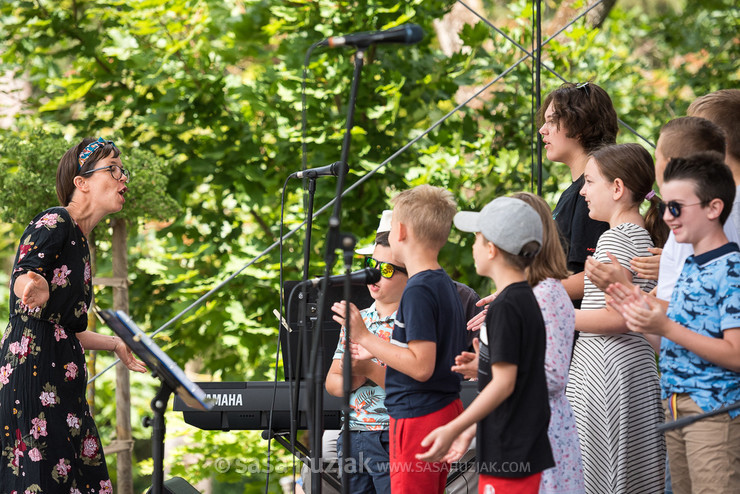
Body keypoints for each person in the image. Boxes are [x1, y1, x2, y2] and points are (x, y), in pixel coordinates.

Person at [0, 137, 146, 493]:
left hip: (64, 383)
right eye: (113, 169)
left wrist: (115, 345)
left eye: (122, 170)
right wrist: (33, 288)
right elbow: (25, 275)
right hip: (34, 379)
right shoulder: (55, 220)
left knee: (84, 479)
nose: (124, 178)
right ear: (81, 182)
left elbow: (67, 328)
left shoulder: (80, 242)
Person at [611, 152, 740, 494]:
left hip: (714, 411)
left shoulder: (731, 269)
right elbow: (673, 344)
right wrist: (639, 315)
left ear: (714, 209)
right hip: (676, 405)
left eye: (677, 207)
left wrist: (664, 326)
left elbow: (736, 354)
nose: (667, 216)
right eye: (667, 206)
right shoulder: (691, 267)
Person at [331, 185, 466, 494]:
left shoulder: (418, 290)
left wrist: (364, 335)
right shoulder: (442, 282)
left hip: (418, 415)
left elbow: (421, 367)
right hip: (440, 409)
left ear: (400, 231)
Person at [416, 196, 554, 493]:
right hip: (520, 447)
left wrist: (455, 427)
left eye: (476, 239)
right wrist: (484, 367)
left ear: (491, 249)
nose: (472, 247)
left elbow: (504, 385)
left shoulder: (505, 306)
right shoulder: (525, 298)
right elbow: (521, 377)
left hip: (509, 452)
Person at [567, 142, 667, 493]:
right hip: (626, 370)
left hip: (608, 375)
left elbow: (618, 318)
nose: (582, 191)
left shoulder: (618, 238)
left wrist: (557, 316)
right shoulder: (637, 235)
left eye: (590, 182)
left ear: (618, 188)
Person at [325, 210, 406, 493]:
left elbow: (413, 383)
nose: (374, 275)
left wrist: (370, 369)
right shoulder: (357, 318)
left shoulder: (411, 321)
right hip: (352, 434)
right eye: (371, 266)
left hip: (392, 435)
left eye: (386, 270)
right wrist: (354, 376)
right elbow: (333, 384)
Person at [538, 81, 616, 306]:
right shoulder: (573, 192)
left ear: (580, 126)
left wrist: (524, 296)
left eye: (552, 121)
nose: (543, 130)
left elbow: (592, 276)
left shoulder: (591, 195)